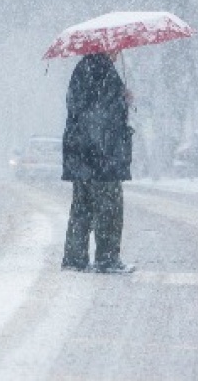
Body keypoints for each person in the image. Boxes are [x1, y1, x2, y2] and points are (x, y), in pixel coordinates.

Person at [60, 50, 135, 273]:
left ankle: (74, 259)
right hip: (103, 156)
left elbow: (80, 110)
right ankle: (107, 259)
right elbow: (104, 115)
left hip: (81, 154)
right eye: (116, 49)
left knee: (81, 208)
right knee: (109, 209)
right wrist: (123, 100)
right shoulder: (103, 71)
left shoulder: (82, 69)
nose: (118, 52)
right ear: (106, 47)